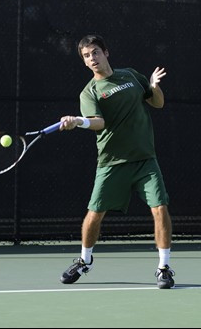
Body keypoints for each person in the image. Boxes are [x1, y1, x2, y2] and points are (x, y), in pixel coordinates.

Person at [59, 34, 175, 289]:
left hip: (145, 160)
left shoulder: (131, 75)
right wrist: (79, 121)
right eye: (87, 56)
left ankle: (164, 267)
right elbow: (99, 123)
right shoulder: (89, 92)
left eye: (95, 52)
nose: (92, 59)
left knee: (160, 209)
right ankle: (85, 260)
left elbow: (157, 103)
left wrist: (154, 86)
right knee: (94, 214)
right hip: (111, 163)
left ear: (106, 52)